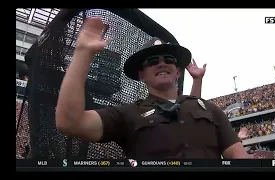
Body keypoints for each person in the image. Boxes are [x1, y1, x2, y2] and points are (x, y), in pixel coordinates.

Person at [56, 17, 249, 159]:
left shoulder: (210, 110)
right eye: (153, 61)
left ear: (178, 72)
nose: (162, 63)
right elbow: (71, 122)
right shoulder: (126, 114)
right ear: (141, 75)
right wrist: (83, 52)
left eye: (169, 59)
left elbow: (238, 158)